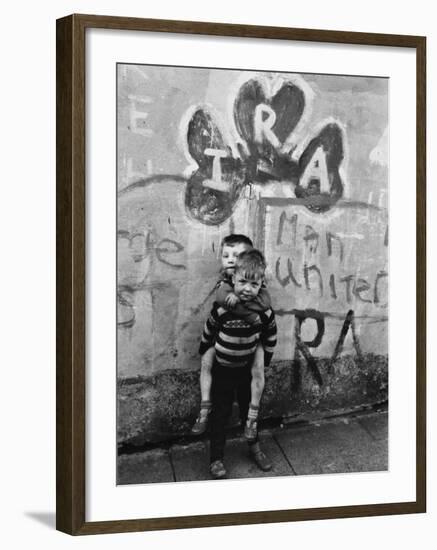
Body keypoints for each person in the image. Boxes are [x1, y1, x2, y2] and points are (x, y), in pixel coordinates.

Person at [198, 249, 277, 479]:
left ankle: (255, 448)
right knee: (219, 415)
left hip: (246, 371)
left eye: (253, 284)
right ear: (233, 278)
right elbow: (210, 328)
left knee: (249, 413)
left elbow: (270, 336)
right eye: (242, 282)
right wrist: (204, 349)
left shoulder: (264, 313)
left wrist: (267, 359)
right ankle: (216, 459)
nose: (247, 288)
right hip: (222, 370)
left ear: (262, 284)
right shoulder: (223, 308)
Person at [192, 234, 272, 442]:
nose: (229, 259)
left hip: (250, 346)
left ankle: (253, 434)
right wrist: (247, 313)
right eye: (225, 255)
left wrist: (246, 307)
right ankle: (205, 407)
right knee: (208, 366)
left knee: (257, 370)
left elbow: (265, 303)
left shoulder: (254, 283)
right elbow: (220, 302)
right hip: (225, 347)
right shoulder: (225, 284)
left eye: (235, 256)